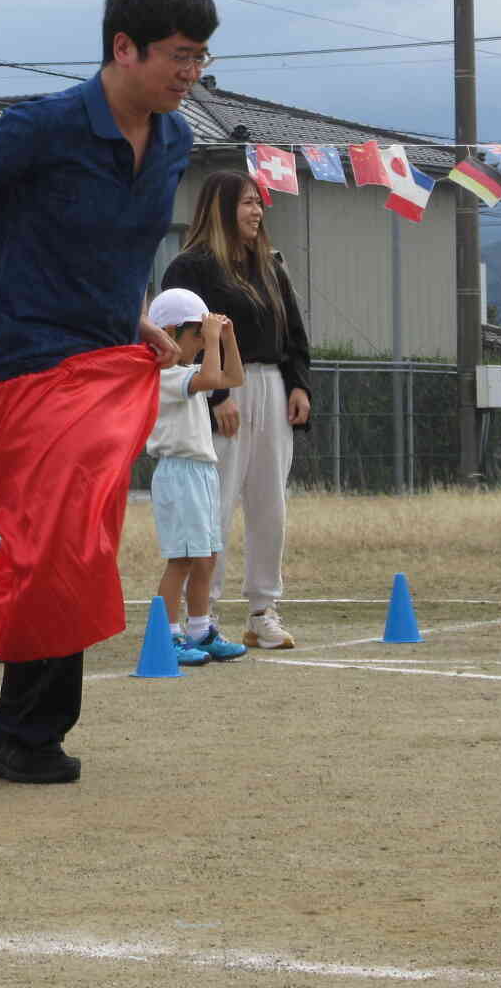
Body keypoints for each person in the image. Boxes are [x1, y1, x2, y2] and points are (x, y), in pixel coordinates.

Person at [0, 0, 218, 784]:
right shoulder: (43, 126)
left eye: (201, 58)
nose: (191, 73)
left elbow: (115, 254)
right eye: (178, 56)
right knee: (62, 549)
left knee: (71, 549)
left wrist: (138, 319)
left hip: (110, 369)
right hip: (33, 366)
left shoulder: (176, 140)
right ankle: (10, 721)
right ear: (124, 46)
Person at [161, 170, 312, 649]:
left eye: (259, 203)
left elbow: (292, 333)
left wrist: (299, 385)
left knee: (270, 503)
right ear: (221, 207)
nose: (256, 212)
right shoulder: (193, 266)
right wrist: (219, 397)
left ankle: (263, 609)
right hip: (221, 388)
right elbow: (180, 338)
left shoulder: (269, 264)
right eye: (247, 203)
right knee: (217, 503)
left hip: (270, 384)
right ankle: (203, 614)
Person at [143, 288, 247, 667]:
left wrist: (228, 337)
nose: (203, 345)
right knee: (182, 559)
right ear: (168, 331)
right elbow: (212, 376)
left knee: (206, 558)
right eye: (197, 338)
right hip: (179, 473)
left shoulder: (188, 372)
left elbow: (231, 377)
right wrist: (215, 337)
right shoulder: (163, 375)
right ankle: (167, 635)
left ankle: (200, 629)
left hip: (202, 472)